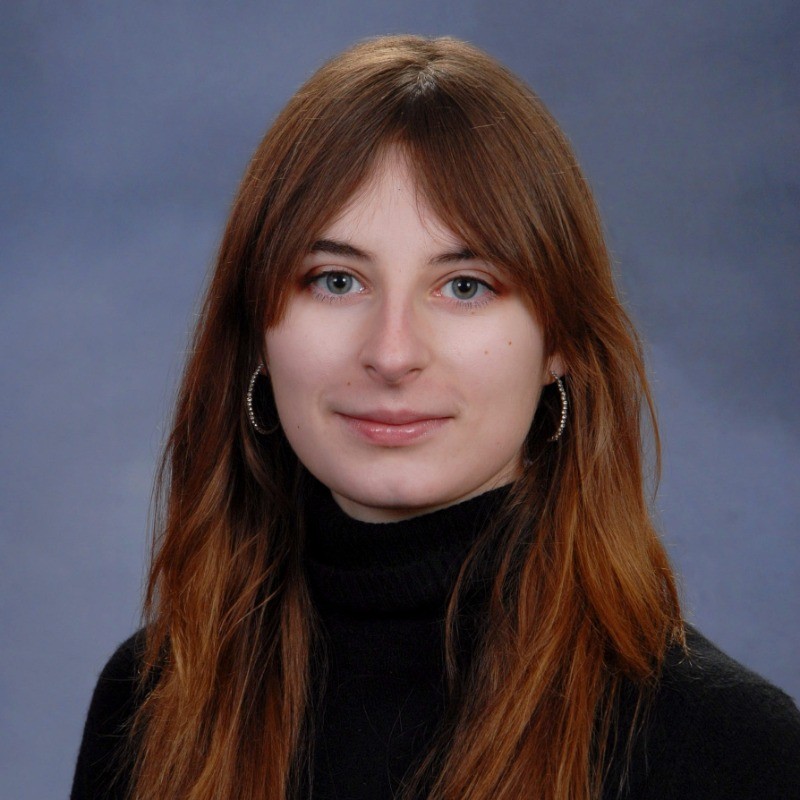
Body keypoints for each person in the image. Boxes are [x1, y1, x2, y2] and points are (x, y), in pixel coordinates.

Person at [71, 35, 800, 800]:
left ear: (559, 343)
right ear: (256, 328)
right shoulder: (150, 700)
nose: (392, 354)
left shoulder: (728, 750)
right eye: (336, 280)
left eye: (465, 286)